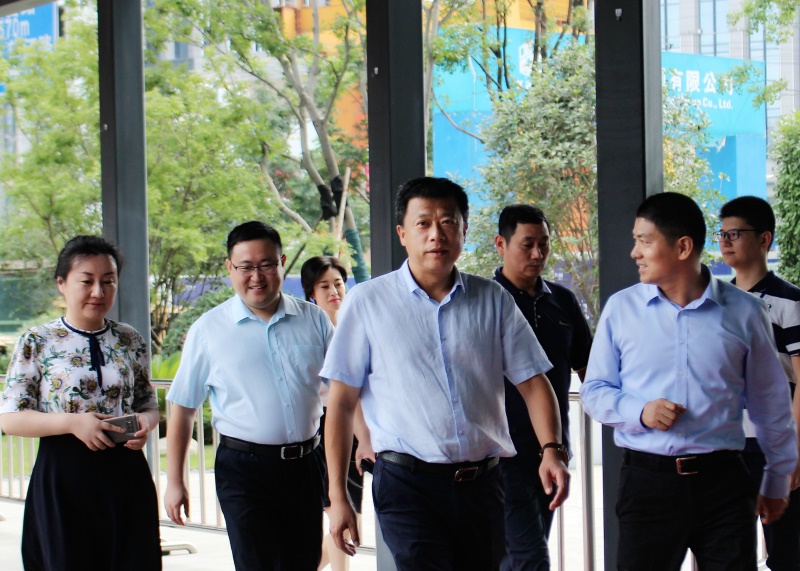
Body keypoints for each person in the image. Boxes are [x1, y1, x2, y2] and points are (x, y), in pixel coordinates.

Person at [320, 176, 570, 571]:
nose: (436, 234)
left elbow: (534, 383)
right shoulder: (367, 302)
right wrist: (338, 497)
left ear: (464, 231)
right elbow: (340, 403)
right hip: (408, 486)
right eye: (423, 223)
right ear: (403, 234)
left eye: (448, 222)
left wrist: (552, 450)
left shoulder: (492, 299)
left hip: (484, 486)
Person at [580, 192, 798, 570]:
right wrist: (640, 411)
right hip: (648, 484)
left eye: (644, 241)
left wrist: (777, 480)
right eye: (635, 240)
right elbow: (594, 391)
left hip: (724, 485)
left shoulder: (746, 312)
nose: (635, 252)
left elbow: (771, 405)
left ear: (683, 247)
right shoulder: (621, 309)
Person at [164, 221, 334, 570]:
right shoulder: (208, 329)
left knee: (304, 561)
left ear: (281, 263)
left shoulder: (314, 320)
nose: (256, 276)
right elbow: (183, 406)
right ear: (230, 268)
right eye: (245, 267)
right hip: (244, 470)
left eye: (266, 264)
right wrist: (175, 481)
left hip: (305, 465)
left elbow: (343, 393)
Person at [0, 235, 162, 571]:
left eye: (108, 281)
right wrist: (73, 423)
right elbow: (10, 418)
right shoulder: (37, 341)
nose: (98, 292)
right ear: (61, 283)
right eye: (86, 281)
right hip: (64, 476)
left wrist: (145, 424)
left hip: (126, 474)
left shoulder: (129, 338)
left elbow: (148, 404)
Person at [493, 204, 593, 570]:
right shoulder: (486, 302)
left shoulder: (562, 301)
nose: (538, 254)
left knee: (521, 554)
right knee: (530, 558)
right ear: (501, 244)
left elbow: (589, 369)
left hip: (552, 451)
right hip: (502, 455)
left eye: (544, 244)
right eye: (527, 244)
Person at [718, 195, 800, 570]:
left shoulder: (790, 302)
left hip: (773, 447)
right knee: (728, 552)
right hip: (725, 447)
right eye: (721, 234)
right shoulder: (716, 302)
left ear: (764, 239)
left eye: (735, 233)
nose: (725, 241)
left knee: (785, 552)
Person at [300, 256, 372, 571]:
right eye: (324, 286)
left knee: (351, 517)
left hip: (358, 425)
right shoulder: (309, 331)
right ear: (311, 292)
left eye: (338, 284)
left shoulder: (354, 324)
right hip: (326, 425)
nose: (334, 291)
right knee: (338, 514)